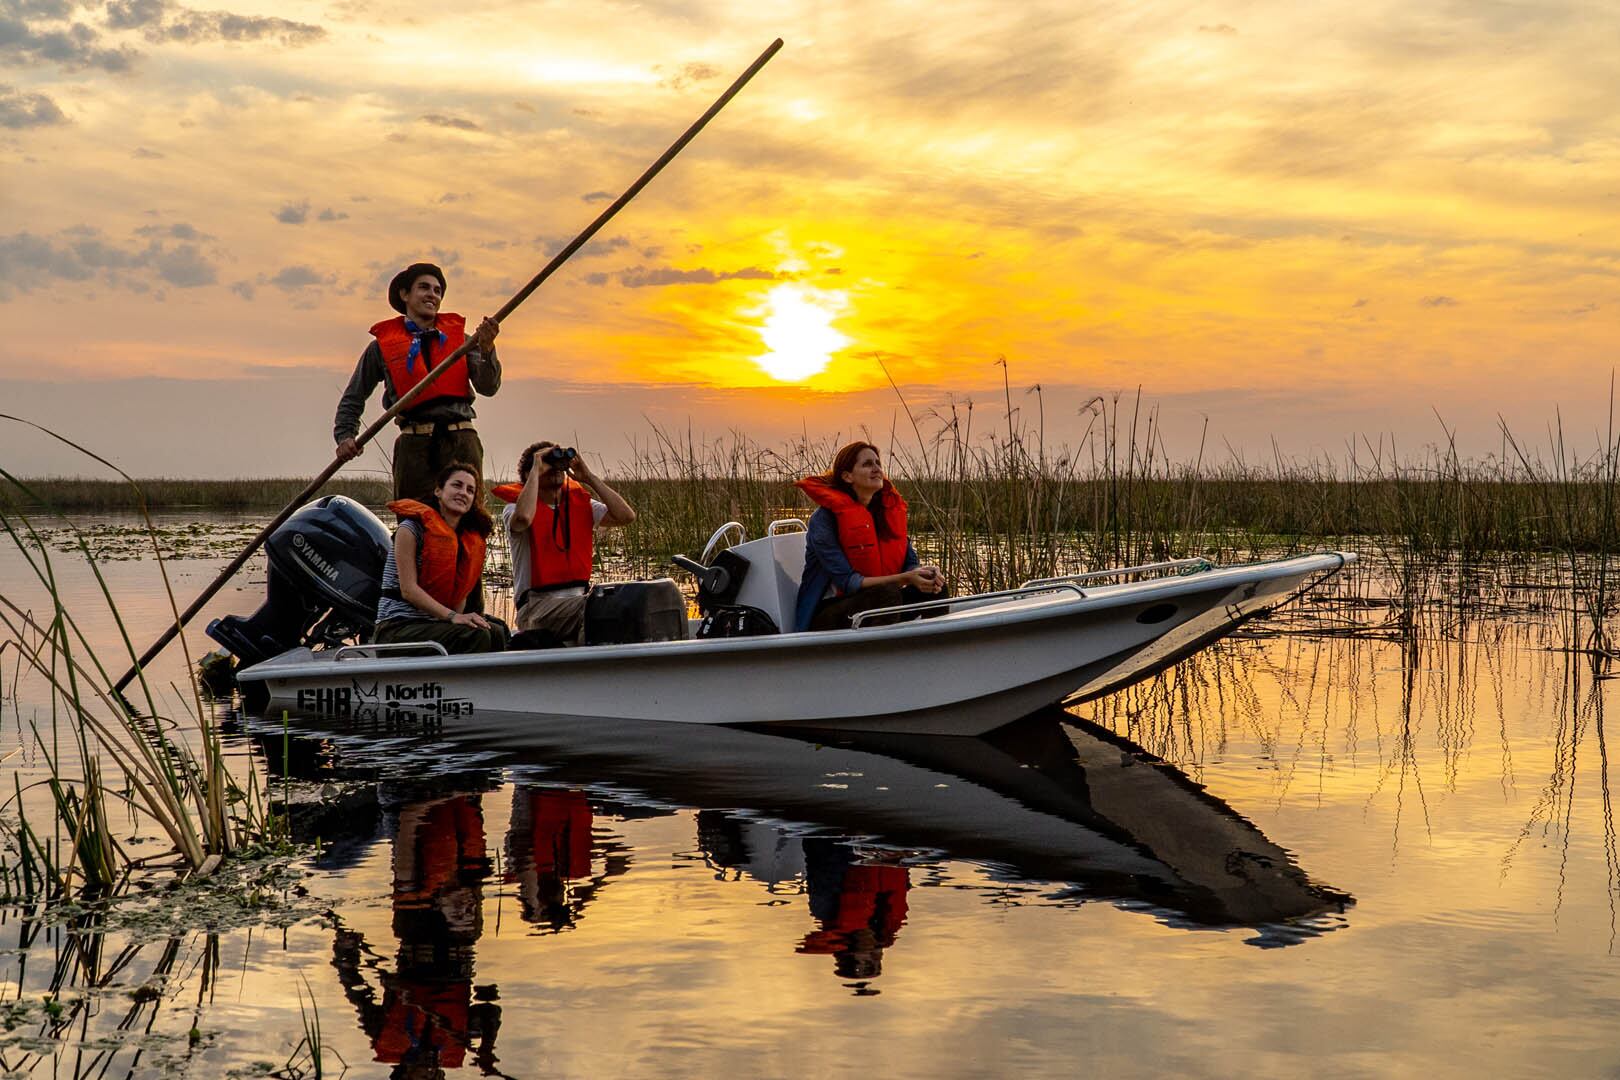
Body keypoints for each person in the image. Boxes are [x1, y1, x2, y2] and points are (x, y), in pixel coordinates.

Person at [332, 261, 502, 503]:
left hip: (462, 443)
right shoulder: (380, 348)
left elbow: (489, 387)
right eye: (424, 287)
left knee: (469, 524)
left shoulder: (464, 342)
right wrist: (345, 435)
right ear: (405, 295)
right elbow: (354, 397)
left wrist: (487, 349)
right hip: (414, 447)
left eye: (437, 291)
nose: (432, 294)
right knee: (414, 522)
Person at [493, 442, 636, 645]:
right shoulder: (513, 510)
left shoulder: (581, 504)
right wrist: (535, 468)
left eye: (558, 462)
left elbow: (626, 516)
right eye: (548, 463)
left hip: (578, 605)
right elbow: (523, 519)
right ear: (528, 475)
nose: (555, 468)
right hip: (536, 608)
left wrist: (588, 478)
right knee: (598, 607)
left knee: (619, 602)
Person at [793, 441, 945, 632]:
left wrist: (924, 574)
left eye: (877, 463)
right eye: (867, 464)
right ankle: (878, 658)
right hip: (828, 614)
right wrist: (906, 577)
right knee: (887, 593)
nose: (877, 469)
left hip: (878, 602)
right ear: (847, 476)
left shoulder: (886, 513)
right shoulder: (823, 520)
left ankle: (935, 652)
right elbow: (849, 582)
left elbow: (910, 562)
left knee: (936, 588)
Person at [374, 462, 508, 653]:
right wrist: (453, 616)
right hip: (396, 628)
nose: (463, 493)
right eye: (457, 485)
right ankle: (466, 683)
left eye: (470, 490)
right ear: (438, 491)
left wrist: (462, 617)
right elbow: (408, 590)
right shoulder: (410, 529)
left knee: (496, 630)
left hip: (436, 626)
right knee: (476, 636)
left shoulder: (465, 541)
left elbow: (457, 603)